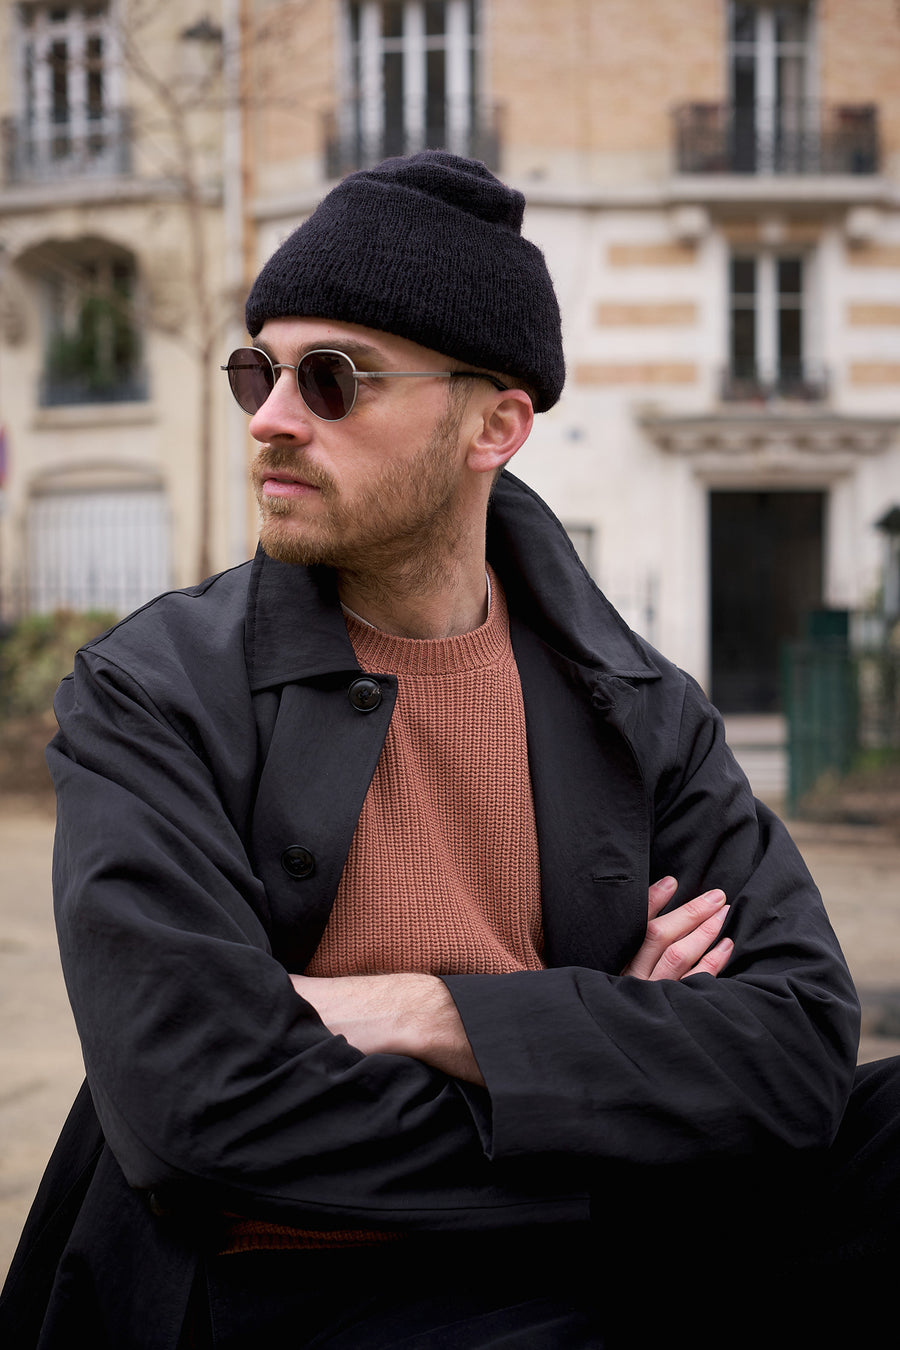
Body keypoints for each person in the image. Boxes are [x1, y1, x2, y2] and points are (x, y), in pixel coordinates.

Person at [1, 150, 897, 1349]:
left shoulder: (636, 701)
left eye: (333, 379)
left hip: (599, 1250)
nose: (270, 418)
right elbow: (197, 1111)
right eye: (257, 370)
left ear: (497, 424)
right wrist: (600, 1064)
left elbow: (792, 1048)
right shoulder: (155, 691)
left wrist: (441, 1011)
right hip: (294, 1278)